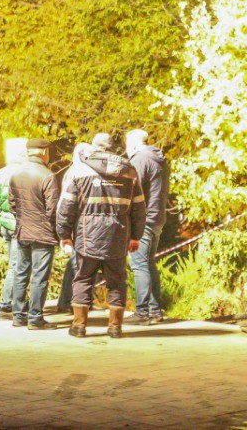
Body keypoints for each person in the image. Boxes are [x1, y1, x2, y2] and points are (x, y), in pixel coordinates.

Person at [56, 132, 145, 339]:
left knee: (83, 279)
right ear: (111, 147)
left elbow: (67, 206)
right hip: (118, 235)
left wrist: (64, 234)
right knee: (117, 281)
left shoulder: (79, 170)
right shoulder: (129, 171)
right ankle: (115, 327)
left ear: (94, 147)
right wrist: (135, 236)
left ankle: (79, 326)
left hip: (87, 235)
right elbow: (139, 208)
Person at [7, 138, 60, 330]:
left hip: (22, 231)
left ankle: (18, 316)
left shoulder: (16, 174)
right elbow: (52, 209)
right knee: (39, 276)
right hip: (43, 233)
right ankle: (35, 318)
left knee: (21, 273)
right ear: (44, 152)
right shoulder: (47, 175)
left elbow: (12, 204)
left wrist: (23, 219)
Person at [126, 128, 169, 325]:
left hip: (143, 220)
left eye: (127, 144)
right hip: (157, 218)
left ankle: (142, 313)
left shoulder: (139, 160)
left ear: (133, 144)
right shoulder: (158, 159)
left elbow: (132, 190)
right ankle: (155, 310)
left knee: (139, 265)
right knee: (149, 263)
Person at [0, 138, 27, 320]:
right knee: (16, 266)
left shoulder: (1, 172)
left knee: (12, 265)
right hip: (18, 225)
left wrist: (2, 223)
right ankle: (7, 305)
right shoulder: (23, 172)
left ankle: (12, 301)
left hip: (6, 225)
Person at [54, 142, 90, 314]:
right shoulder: (77, 173)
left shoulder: (73, 171)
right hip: (79, 225)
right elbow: (66, 202)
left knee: (74, 263)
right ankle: (76, 303)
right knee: (78, 265)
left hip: (77, 224)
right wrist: (65, 231)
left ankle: (66, 301)